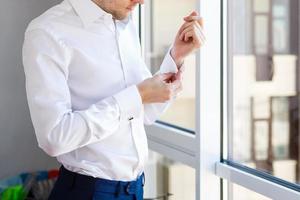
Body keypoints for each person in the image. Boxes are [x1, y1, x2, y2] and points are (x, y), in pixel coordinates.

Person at [22, 0, 205, 199]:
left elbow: (144, 113)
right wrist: (138, 95)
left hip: (135, 189)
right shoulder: (48, 31)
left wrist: (176, 56)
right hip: (89, 192)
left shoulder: (123, 22)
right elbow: (54, 137)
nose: (141, 1)